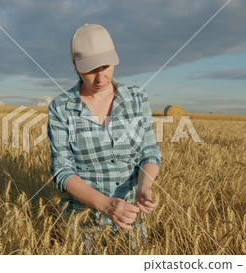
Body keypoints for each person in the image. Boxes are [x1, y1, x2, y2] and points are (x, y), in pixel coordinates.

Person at [47, 24, 162, 249]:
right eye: (91, 70)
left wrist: (144, 186)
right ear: (75, 67)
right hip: (81, 227)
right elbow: (62, 171)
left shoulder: (136, 99)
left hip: (131, 221)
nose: (100, 78)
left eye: (106, 67)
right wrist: (105, 205)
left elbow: (149, 152)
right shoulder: (61, 108)